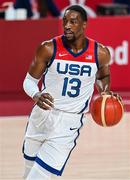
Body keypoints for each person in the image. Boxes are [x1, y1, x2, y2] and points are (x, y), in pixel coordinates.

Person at [22, 5, 122, 180]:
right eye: (65, 21)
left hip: (69, 122)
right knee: (29, 173)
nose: (67, 25)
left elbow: (103, 75)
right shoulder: (48, 48)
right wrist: (36, 95)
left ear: (84, 24)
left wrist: (105, 92)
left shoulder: (100, 53)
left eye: (73, 22)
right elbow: (29, 81)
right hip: (41, 117)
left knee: (38, 177)